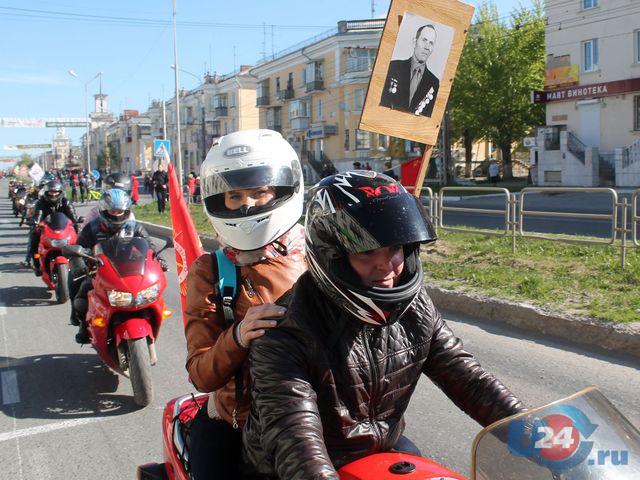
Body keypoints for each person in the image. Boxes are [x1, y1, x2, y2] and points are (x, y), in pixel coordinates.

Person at [242, 172, 525, 479]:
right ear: (330, 256)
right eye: (366, 252)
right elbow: (295, 436)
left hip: (379, 453)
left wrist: (533, 431)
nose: (386, 266)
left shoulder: (415, 306)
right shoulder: (283, 332)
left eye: (395, 249)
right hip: (292, 469)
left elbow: (466, 377)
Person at [183, 129, 306, 480]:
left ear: (282, 189)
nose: (247, 204)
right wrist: (237, 336)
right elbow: (201, 373)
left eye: (259, 191)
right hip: (238, 420)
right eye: (235, 196)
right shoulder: (211, 270)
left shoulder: (320, 254)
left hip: (321, 412)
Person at [71, 188, 165, 343]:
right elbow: (78, 248)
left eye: (120, 211)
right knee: (82, 293)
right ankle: (83, 324)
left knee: (152, 292)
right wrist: (79, 263)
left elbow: (150, 246)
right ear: (104, 210)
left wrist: (158, 259)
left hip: (132, 270)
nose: (117, 214)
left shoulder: (135, 227)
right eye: (113, 211)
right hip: (101, 271)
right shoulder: (92, 228)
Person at [380, 24, 440, 117]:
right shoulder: (393, 67)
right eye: (424, 40)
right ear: (414, 42)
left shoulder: (435, 83)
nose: (427, 47)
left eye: (431, 43)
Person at [23, 180, 78, 274]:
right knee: (34, 239)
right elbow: (38, 215)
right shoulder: (40, 203)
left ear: (60, 192)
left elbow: (72, 216)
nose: (53, 194)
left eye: (56, 192)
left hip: (64, 229)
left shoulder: (65, 202)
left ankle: (82, 265)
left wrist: (76, 224)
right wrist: (36, 223)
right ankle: (37, 265)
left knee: (79, 238)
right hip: (46, 229)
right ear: (46, 192)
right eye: (51, 192)